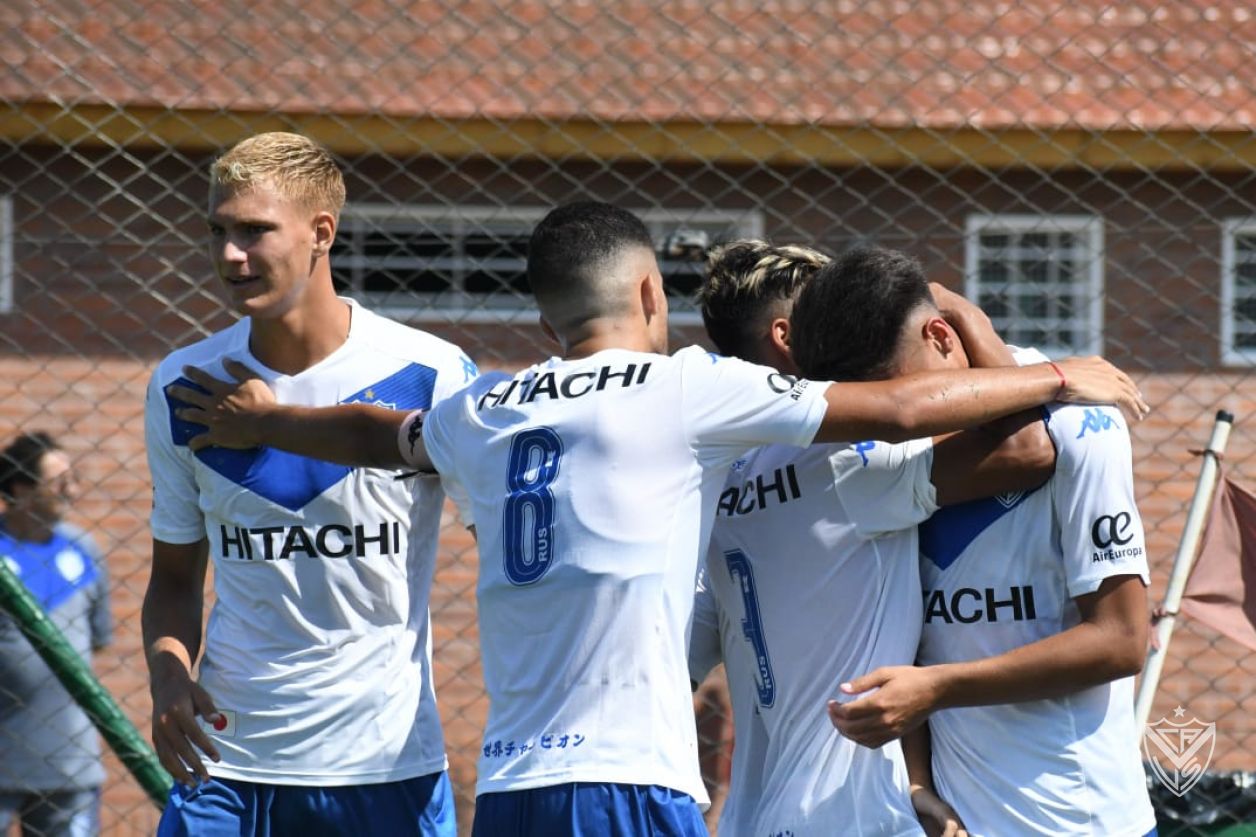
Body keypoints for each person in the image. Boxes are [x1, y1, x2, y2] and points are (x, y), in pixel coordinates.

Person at [167, 202, 1146, 836]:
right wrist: (1055, 371)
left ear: (546, 321)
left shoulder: (484, 409)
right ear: (648, 293)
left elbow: (387, 435)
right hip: (644, 781)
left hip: (510, 787)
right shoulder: (695, 398)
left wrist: (272, 418)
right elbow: (939, 424)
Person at [142, 132, 475, 835]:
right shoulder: (183, 384)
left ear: (322, 232)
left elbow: (504, 544)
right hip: (226, 765)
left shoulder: (429, 373)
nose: (230, 255)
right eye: (218, 231)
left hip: (384, 766)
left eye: (254, 231)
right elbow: (173, 577)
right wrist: (168, 675)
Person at [688, 240, 1058, 837]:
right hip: (849, 814)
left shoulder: (714, 473)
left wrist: (915, 781)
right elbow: (1026, 448)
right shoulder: (841, 455)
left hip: (755, 816)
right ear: (788, 337)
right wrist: (964, 314)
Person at [792, 247, 1156, 837]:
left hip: (1077, 819)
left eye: (898, 395)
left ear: (940, 335)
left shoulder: (1081, 417)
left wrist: (939, 689)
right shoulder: (858, 453)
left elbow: (1120, 640)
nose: (892, 420)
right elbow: (909, 635)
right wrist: (917, 780)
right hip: (956, 820)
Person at [0, 431, 112, 837]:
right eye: (59, 481)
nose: (73, 491)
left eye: (74, 479)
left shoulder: (83, 549)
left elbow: (98, 638)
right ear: (21, 488)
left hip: (70, 759)